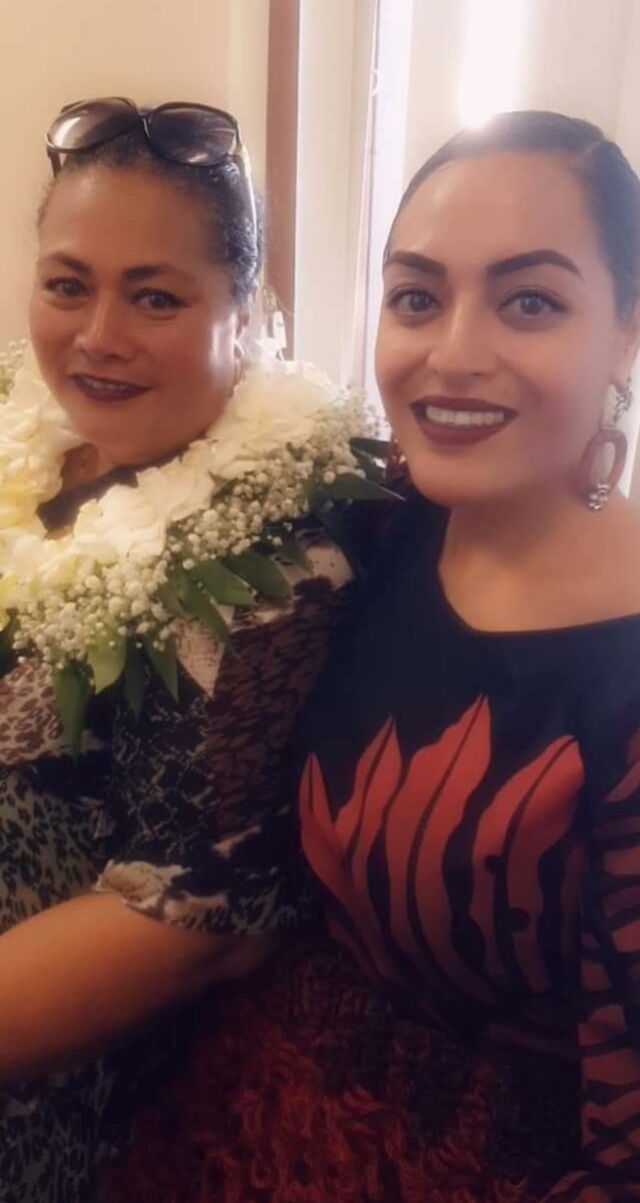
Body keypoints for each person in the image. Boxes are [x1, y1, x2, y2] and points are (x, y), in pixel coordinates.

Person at [112, 111, 640, 1203]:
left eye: (529, 301)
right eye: (416, 297)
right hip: (239, 1109)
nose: (452, 354)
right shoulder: (380, 524)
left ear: (626, 331)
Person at [0, 97, 374, 1203]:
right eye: (68, 284)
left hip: (58, 1096)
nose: (98, 335)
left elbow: (192, 915)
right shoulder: (35, 448)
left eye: (155, 296)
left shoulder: (277, 562)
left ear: (244, 312)